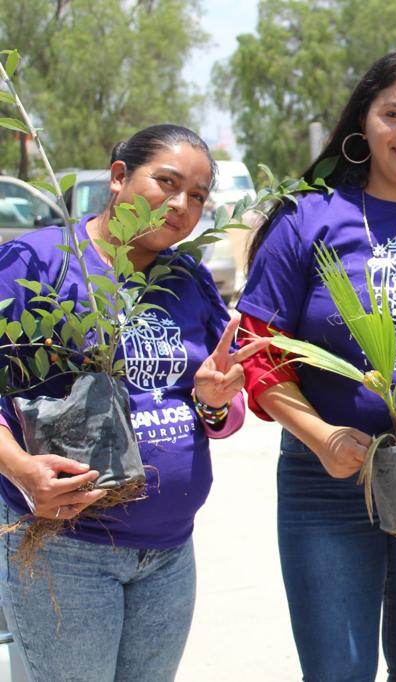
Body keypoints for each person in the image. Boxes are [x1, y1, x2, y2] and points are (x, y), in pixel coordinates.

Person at [235, 51, 396, 682]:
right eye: (394, 114)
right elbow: (261, 348)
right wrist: (321, 437)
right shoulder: (308, 217)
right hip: (325, 479)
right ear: (364, 121)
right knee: (336, 671)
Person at [0, 124, 261, 681]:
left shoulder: (185, 277)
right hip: (67, 546)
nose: (180, 205)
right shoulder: (39, 260)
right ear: (119, 176)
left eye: (196, 196)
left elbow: (219, 404)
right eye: (165, 182)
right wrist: (22, 469)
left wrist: (215, 399)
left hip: (168, 552)